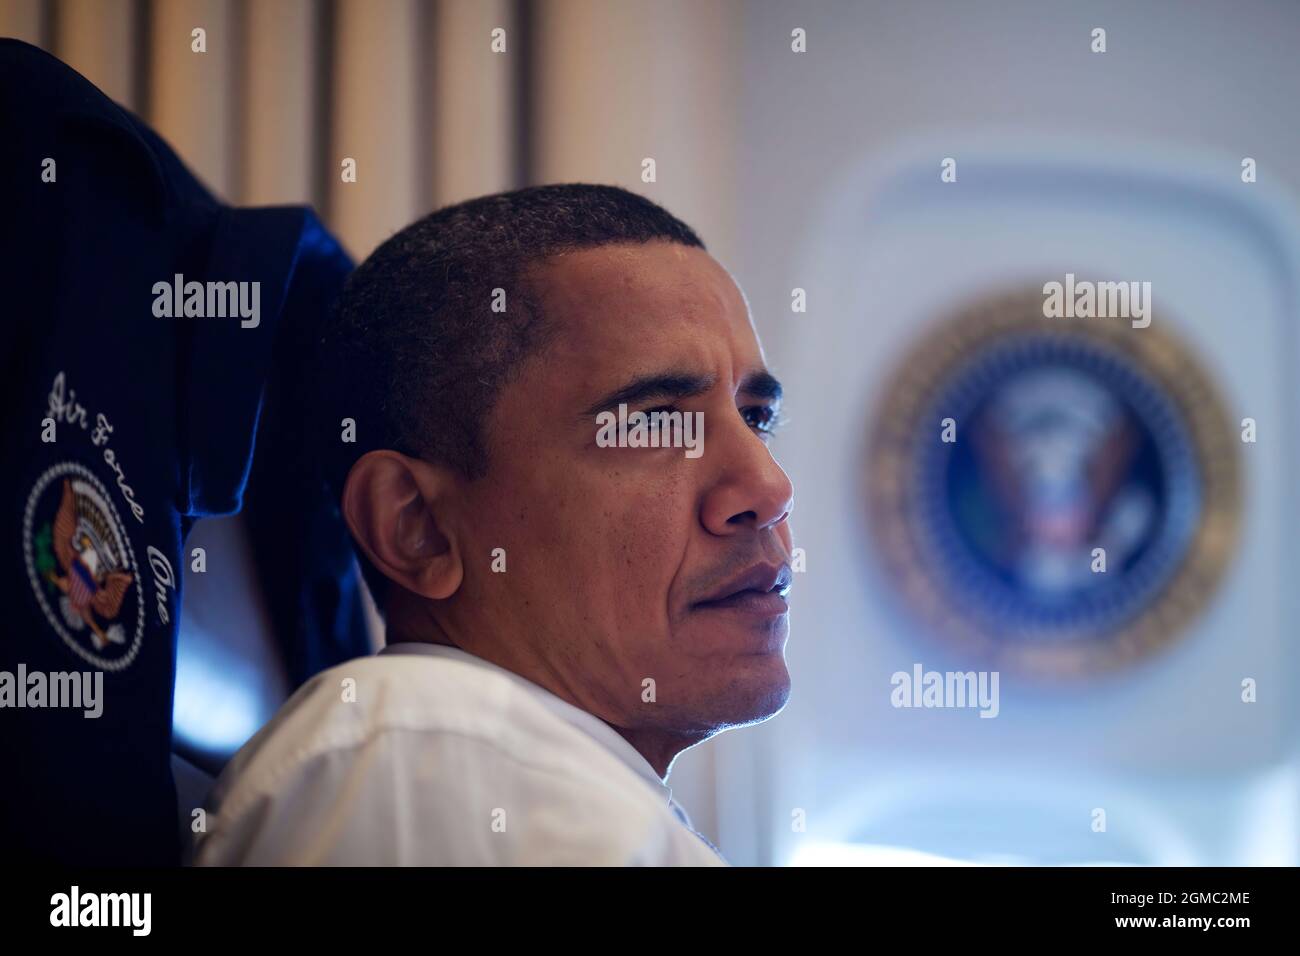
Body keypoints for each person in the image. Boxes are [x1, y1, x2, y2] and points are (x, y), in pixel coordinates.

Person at [194, 184, 795, 865]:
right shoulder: (423, 756)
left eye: (757, 418)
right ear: (415, 525)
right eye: (655, 421)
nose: (770, 488)